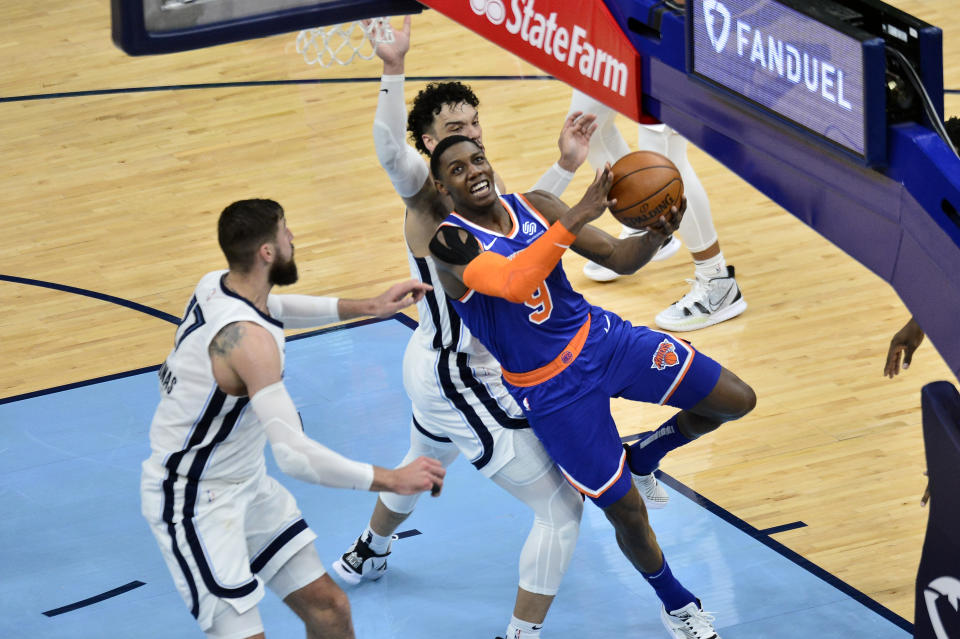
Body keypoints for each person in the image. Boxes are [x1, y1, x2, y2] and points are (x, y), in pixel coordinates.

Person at [332, 16, 621, 639]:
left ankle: (366, 552)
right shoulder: (427, 194)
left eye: (473, 126)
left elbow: (519, 236)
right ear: (427, 148)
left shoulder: (472, 179)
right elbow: (390, 154)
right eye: (451, 131)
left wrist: (564, 167)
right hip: (463, 369)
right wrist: (391, 67)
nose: (466, 138)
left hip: (438, 360)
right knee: (561, 508)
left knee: (425, 458)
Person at [427, 135, 757, 638]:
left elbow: (621, 258)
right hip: (552, 392)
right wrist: (579, 212)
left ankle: (646, 453)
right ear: (441, 185)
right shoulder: (449, 243)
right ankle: (678, 604)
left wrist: (655, 233)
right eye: (456, 169)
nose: (473, 171)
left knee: (735, 400)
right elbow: (515, 282)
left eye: (477, 159)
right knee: (626, 510)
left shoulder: (535, 205)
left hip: (602, 339)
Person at [140, 198, 446, 639]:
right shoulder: (249, 344)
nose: (293, 239)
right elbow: (295, 457)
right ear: (267, 252)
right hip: (194, 503)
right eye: (286, 232)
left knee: (330, 609)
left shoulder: (216, 285)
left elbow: (277, 307)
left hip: (245, 485)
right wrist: (391, 479)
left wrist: (367, 307)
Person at [571, 89, 747, 332]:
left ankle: (717, 280)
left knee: (664, 162)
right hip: (619, 49)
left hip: (668, 56)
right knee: (585, 124)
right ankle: (647, 233)